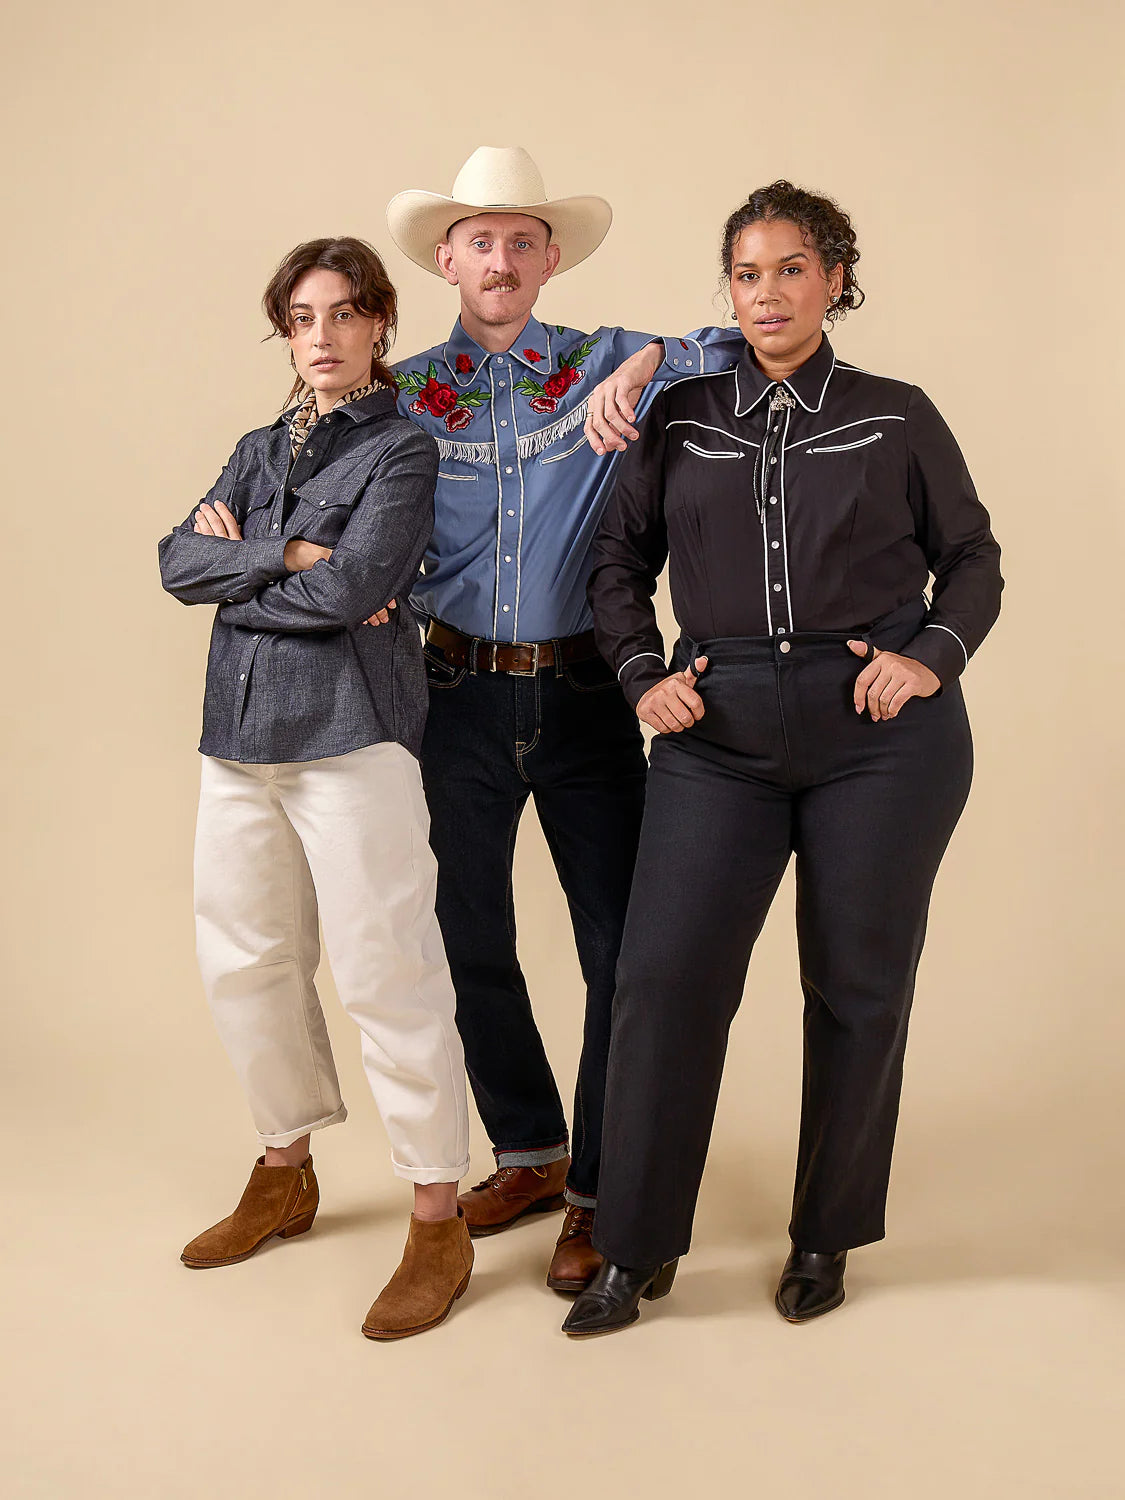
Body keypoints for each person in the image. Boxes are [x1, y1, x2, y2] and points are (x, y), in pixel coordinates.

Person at [563, 180, 1003, 1337]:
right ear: (731, 290)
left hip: (881, 738)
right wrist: (638, 674)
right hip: (719, 733)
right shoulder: (680, 412)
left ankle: (826, 1235)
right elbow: (616, 562)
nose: (769, 292)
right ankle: (634, 1250)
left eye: (793, 269)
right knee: (663, 983)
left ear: (836, 281)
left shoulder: (895, 412)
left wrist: (931, 659)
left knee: (856, 987)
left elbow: (972, 557)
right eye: (748, 273)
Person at [379, 146, 744, 1294]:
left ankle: (600, 1188)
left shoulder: (598, 362)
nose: (501, 258)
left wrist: (646, 366)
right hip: (452, 693)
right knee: (465, 935)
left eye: (521, 240)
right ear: (448, 260)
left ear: (548, 261)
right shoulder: (399, 395)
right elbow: (328, 493)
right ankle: (530, 1153)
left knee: (616, 948)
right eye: (480, 239)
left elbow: (739, 344)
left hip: (589, 692)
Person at [157, 237, 474, 1342]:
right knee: (243, 960)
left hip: (352, 737)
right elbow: (169, 560)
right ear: (286, 331)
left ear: (379, 323)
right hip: (236, 738)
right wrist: (289, 560)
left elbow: (359, 590)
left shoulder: (402, 449)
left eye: (343, 315)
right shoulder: (256, 447)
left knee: (388, 968)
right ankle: (285, 1170)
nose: (323, 337)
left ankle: (439, 1211)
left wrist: (255, 565)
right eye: (302, 318)